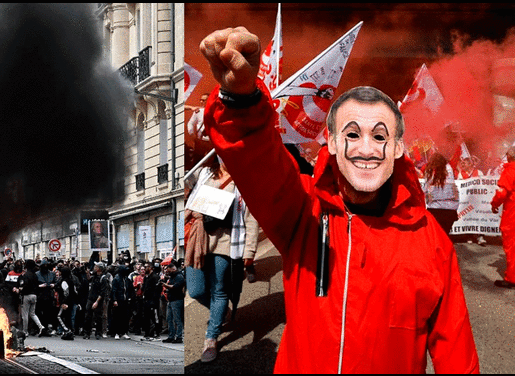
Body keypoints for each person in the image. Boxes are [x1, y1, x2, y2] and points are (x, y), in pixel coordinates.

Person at [198, 27, 479, 373]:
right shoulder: (303, 213)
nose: (366, 149)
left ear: (397, 148)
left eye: (380, 135)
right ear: (330, 143)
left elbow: (457, 356)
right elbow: (256, 157)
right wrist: (240, 99)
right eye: (351, 134)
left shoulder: (432, 244)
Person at [184, 154, 260, 362]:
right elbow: (183, 184)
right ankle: (220, 311)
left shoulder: (245, 181)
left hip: (226, 242)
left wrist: (249, 252)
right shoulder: (203, 172)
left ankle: (211, 338)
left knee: (219, 290)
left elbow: (251, 218)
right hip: (197, 240)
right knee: (196, 289)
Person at [492, 146, 515, 288]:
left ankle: (511, 278)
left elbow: (501, 193)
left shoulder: (510, 171)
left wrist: (494, 203)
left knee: (511, 245)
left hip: (512, 213)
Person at [422, 153, 459, 236]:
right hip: (450, 209)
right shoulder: (449, 169)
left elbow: (425, 189)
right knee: (445, 236)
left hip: (435, 209)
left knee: (435, 236)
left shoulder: (430, 170)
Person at [18, 259, 47, 337]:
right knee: (32, 314)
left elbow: (25, 286)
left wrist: (21, 290)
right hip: (34, 295)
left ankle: (25, 331)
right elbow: (36, 285)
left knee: (25, 315)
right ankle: (41, 326)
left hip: (27, 295)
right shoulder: (35, 275)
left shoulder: (26, 275)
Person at [161, 262, 185, 344]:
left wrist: (165, 286)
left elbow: (175, 287)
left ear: (173, 269)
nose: (168, 272)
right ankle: (171, 336)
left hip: (177, 300)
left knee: (177, 319)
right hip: (171, 300)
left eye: (169, 270)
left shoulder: (179, 276)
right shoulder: (172, 277)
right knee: (169, 319)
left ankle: (179, 336)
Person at [83, 263, 109, 340]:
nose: (94, 267)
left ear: (100, 268)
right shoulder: (94, 276)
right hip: (90, 298)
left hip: (98, 300)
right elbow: (88, 280)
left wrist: (97, 302)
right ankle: (87, 332)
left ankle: (98, 333)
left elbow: (102, 292)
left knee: (98, 317)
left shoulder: (103, 279)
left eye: (96, 266)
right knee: (88, 316)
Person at [111, 265, 133, 340]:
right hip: (119, 300)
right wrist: (114, 300)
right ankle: (116, 332)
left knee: (125, 317)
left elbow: (130, 289)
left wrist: (130, 298)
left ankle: (124, 332)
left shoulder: (127, 279)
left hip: (125, 300)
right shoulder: (116, 279)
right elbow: (114, 290)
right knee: (117, 317)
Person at [142, 261, 161, 340]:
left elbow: (157, 290)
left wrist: (153, 301)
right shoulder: (147, 277)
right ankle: (148, 333)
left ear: (151, 268)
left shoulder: (155, 277)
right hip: (146, 300)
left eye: (146, 267)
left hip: (153, 301)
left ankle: (156, 332)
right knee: (146, 317)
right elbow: (145, 288)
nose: (144, 269)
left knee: (154, 317)